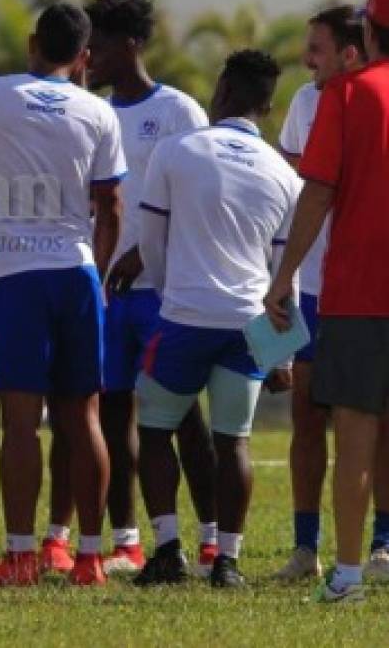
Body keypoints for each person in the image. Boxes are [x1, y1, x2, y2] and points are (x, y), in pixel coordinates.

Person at [0, 3, 123, 588]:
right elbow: (109, 207)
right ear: (84, 56)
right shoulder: (97, 110)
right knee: (82, 418)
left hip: (13, 273)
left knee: (19, 422)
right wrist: (98, 271)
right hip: (77, 272)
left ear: (33, 41)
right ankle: (88, 558)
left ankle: (17, 559)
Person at [134, 49, 297, 589]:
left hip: (185, 315)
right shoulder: (282, 172)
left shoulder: (177, 150)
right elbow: (284, 276)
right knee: (235, 442)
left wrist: (168, 294)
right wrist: (284, 353)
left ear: (223, 89)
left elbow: (151, 244)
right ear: (269, 105)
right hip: (249, 325)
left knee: (154, 431)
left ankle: (167, 551)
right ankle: (226, 562)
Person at [71, 0, 218, 577]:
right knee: (113, 412)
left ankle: (210, 537)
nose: (92, 57)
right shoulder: (94, 112)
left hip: (166, 288)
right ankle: (130, 540)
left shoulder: (180, 112)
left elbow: (205, 192)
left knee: (182, 415)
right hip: (108, 293)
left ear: (131, 44)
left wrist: (141, 249)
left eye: (100, 47)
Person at [266, 0, 389, 604]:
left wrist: (282, 276)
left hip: (359, 291)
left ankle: (345, 575)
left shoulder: (348, 95)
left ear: (366, 35)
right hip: (353, 293)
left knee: (357, 434)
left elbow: (315, 192)